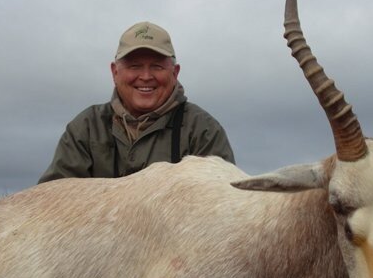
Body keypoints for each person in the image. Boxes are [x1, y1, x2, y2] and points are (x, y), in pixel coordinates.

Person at [38, 21, 235, 182]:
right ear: (115, 72)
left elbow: (222, 209)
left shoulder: (203, 131)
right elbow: (52, 203)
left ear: (175, 73)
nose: (146, 76)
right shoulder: (86, 127)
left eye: (157, 66)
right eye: (135, 66)